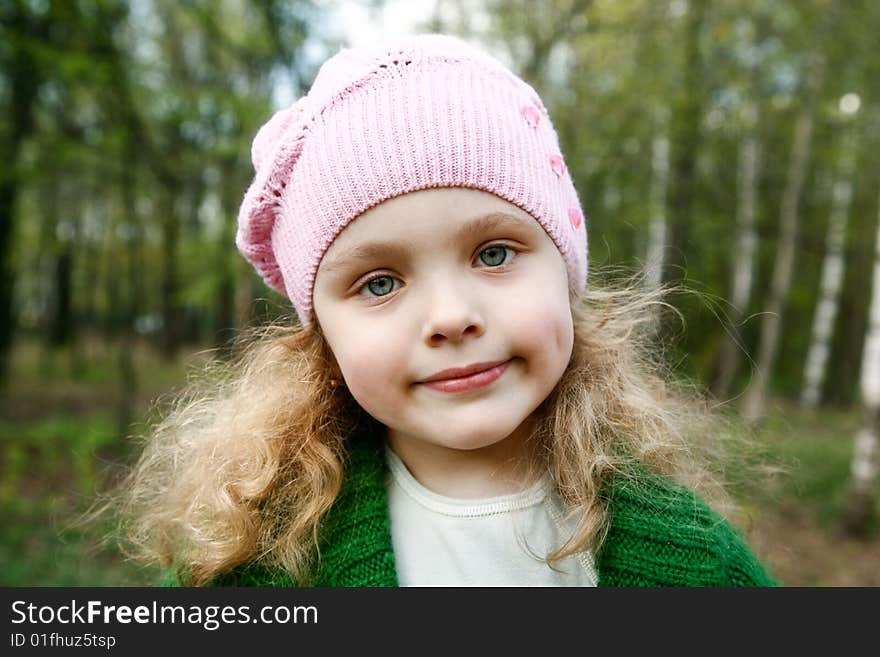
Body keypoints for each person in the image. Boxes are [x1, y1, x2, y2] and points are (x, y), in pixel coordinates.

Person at [113, 33, 777, 587]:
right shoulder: (262, 560)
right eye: (378, 284)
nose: (451, 316)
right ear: (323, 338)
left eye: (493, 253)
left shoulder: (695, 559)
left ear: (564, 271)